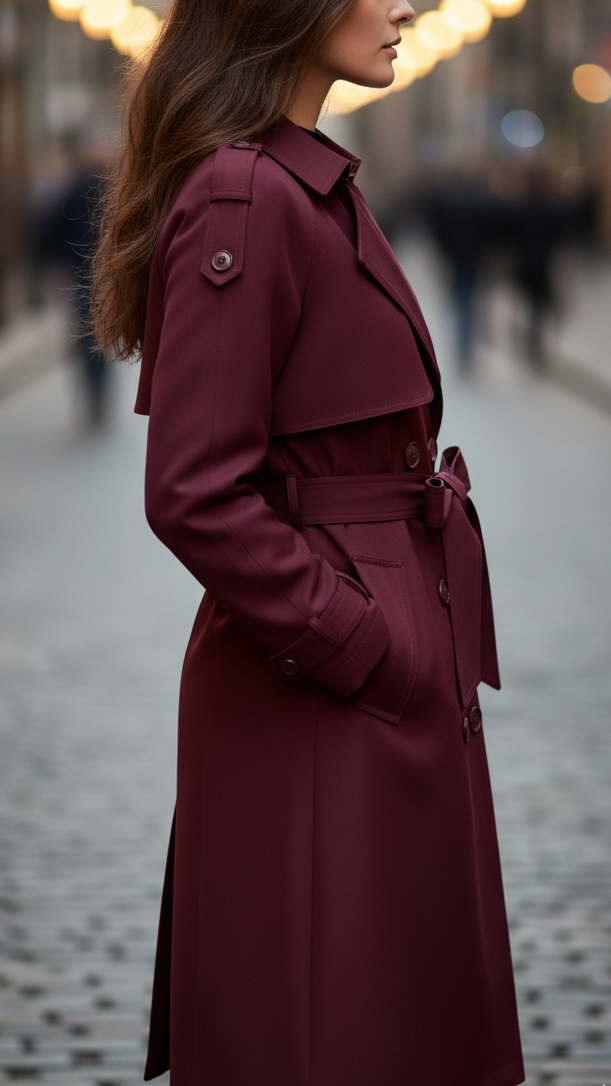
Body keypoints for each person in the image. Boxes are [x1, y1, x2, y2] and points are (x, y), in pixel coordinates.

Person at [92, 0, 524, 1083]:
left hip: (372, 673)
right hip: (325, 688)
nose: (408, 8)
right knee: (325, 1027)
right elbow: (194, 489)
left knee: (386, 1018)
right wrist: (361, 644)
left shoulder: (302, 186)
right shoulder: (248, 191)